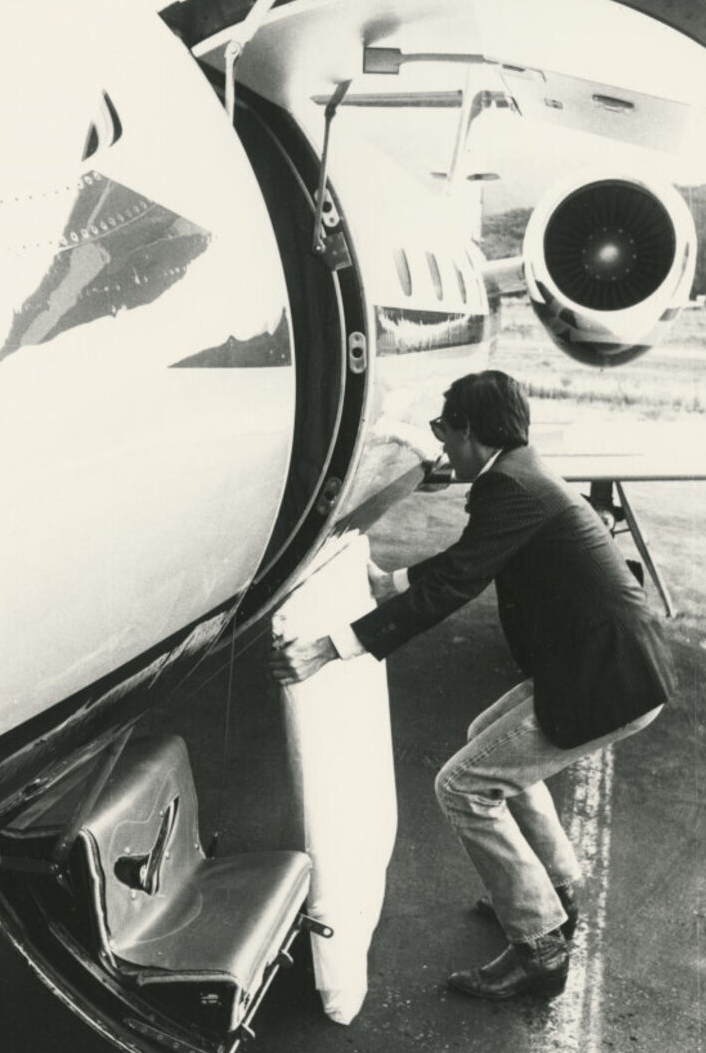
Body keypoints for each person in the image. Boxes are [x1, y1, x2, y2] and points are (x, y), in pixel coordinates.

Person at [269, 369, 675, 1002]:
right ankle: (556, 886)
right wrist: (389, 583)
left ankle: (539, 945)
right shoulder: (522, 475)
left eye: (444, 431)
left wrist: (326, 649)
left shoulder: (510, 487)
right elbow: (472, 561)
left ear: (473, 433)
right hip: (610, 667)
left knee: (463, 785)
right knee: (487, 743)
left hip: (608, 679)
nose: (442, 446)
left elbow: (454, 585)